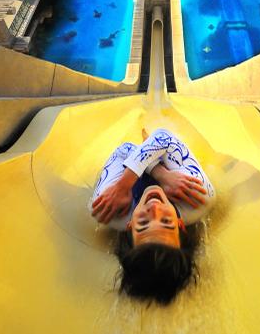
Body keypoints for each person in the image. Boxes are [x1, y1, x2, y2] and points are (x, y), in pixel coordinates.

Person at [89, 128, 215, 304]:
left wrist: (123, 185)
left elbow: (125, 148)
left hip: (145, 162)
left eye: (143, 223)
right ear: (180, 224)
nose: (154, 209)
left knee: (151, 148)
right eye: (166, 222)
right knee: (162, 147)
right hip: (171, 165)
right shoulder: (199, 196)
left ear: (129, 225)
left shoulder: (106, 208)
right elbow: (163, 135)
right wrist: (162, 173)